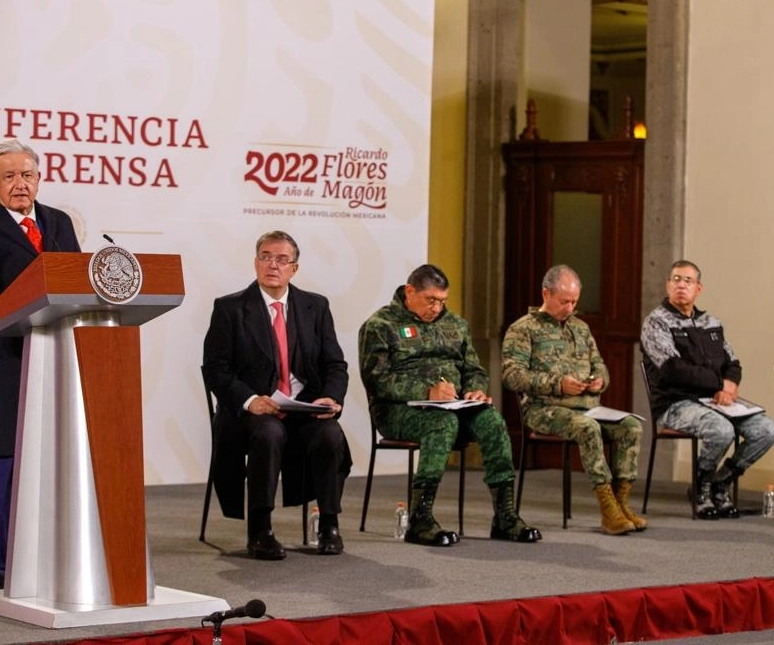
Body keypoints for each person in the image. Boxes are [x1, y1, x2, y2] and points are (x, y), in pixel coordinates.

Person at [0, 138, 82, 591]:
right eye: (9, 176)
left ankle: (49, 562)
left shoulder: (58, 223)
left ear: (39, 178)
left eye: (27, 175)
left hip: (58, 359)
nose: (20, 184)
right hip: (5, 366)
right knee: (1, 466)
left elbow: (75, 285)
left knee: (57, 465)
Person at [358, 264, 541, 546]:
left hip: (453, 407)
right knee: (442, 423)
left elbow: (474, 370)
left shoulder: (456, 325)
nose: (436, 307)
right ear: (410, 291)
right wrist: (427, 391)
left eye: (442, 301)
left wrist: (476, 390)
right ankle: (420, 519)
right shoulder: (380, 325)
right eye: (430, 300)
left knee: (492, 420)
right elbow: (376, 380)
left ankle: (505, 517)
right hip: (398, 411)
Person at [202, 230, 351, 559]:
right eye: (266, 257)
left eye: (282, 260)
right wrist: (250, 400)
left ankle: (329, 526)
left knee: (330, 434)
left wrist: (331, 396)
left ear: (294, 269)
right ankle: (261, 530)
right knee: (268, 434)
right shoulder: (230, 308)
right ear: (256, 263)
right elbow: (216, 369)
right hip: (253, 412)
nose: (273, 265)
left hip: (302, 407)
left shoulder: (315, 306)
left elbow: (334, 364)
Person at [502, 265, 646, 535]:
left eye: (574, 302)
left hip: (588, 407)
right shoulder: (523, 329)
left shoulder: (581, 328)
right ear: (546, 294)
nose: (570, 308)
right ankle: (608, 508)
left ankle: (622, 503)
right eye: (564, 301)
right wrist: (558, 384)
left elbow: (600, 365)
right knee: (587, 428)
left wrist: (600, 380)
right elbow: (512, 376)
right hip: (544, 408)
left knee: (631, 427)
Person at [640, 260, 774, 519]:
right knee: (721, 430)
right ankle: (701, 487)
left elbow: (732, 363)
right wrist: (718, 384)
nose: (681, 285)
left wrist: (730, 384)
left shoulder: (711, 322)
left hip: (715, 401)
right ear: (668, 285)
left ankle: (721, 482)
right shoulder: (656, 322)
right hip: (675, 403)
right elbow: (673, 370)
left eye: (688, 281)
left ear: (699, 288)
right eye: (676, 279)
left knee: (767, 430)